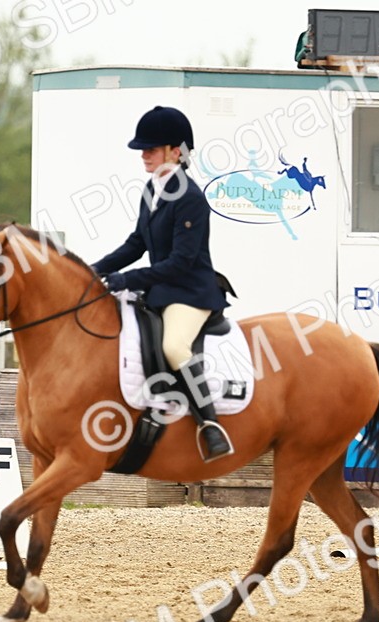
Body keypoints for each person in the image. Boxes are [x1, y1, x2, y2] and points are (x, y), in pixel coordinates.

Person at [93, 106, 235, 462]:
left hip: (190, 292)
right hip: (161, 290)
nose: (144, 155)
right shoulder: (152, 188)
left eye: (152, 149)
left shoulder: (191, 197)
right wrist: (93, 269)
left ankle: (210, 426)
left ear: (176, 151)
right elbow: (136, 243)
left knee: (174, 346)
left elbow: (180, 262)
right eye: (143, 149)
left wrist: (128, 278)